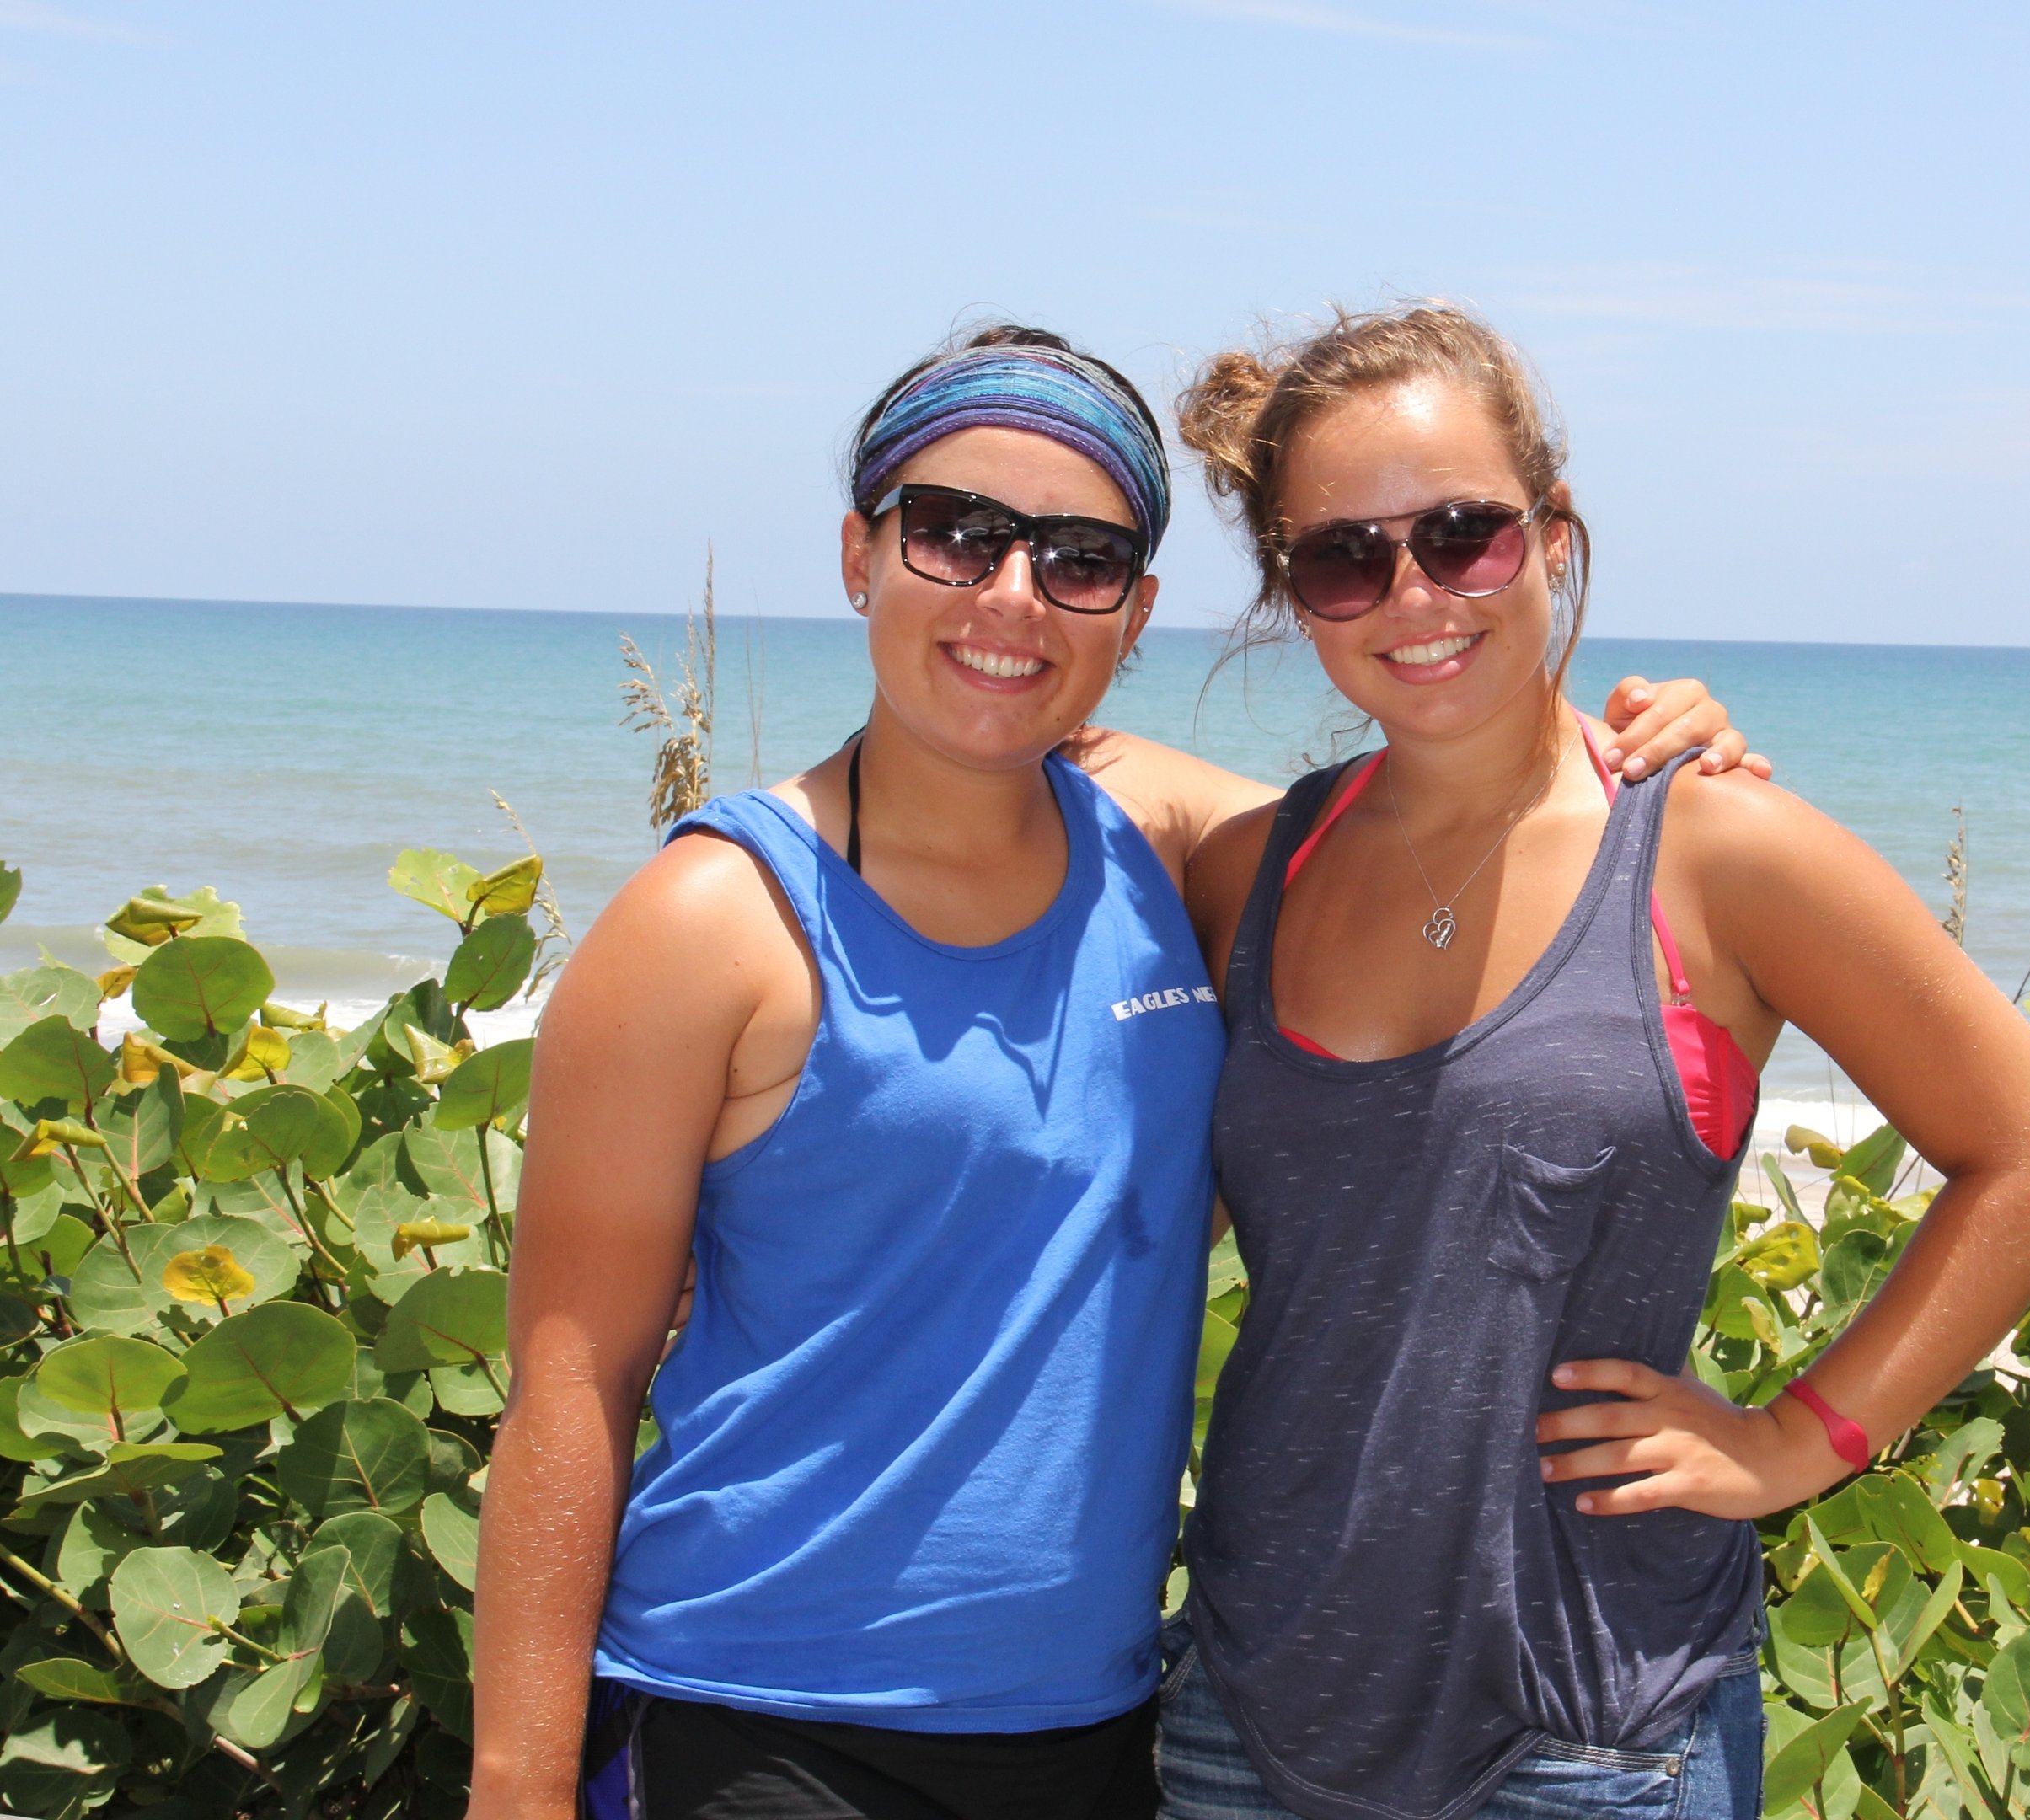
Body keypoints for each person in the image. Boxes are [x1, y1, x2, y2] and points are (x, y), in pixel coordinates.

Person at [464, 324, 1760, 1820]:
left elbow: (1452, 831)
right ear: (857, 556)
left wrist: (1650, 760)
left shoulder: (1171, 858)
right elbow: (571, 1381)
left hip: (1099, 1727)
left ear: (1134, 613)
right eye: (954, 534)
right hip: (762, 1713)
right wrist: (518, 1784)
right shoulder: (715, 920)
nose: (1011, 596)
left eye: (1078, 559)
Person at [1166, 305, 2030, 1820]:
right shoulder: (1247, 873)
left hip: (1597, 1724)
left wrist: (1801, 1439)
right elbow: (1031, 774)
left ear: (1552, 535)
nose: (1412, 594)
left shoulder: (1712, 847)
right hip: (1249, 1695)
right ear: (1294, 594)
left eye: (1463, 534)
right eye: (1344, 557)